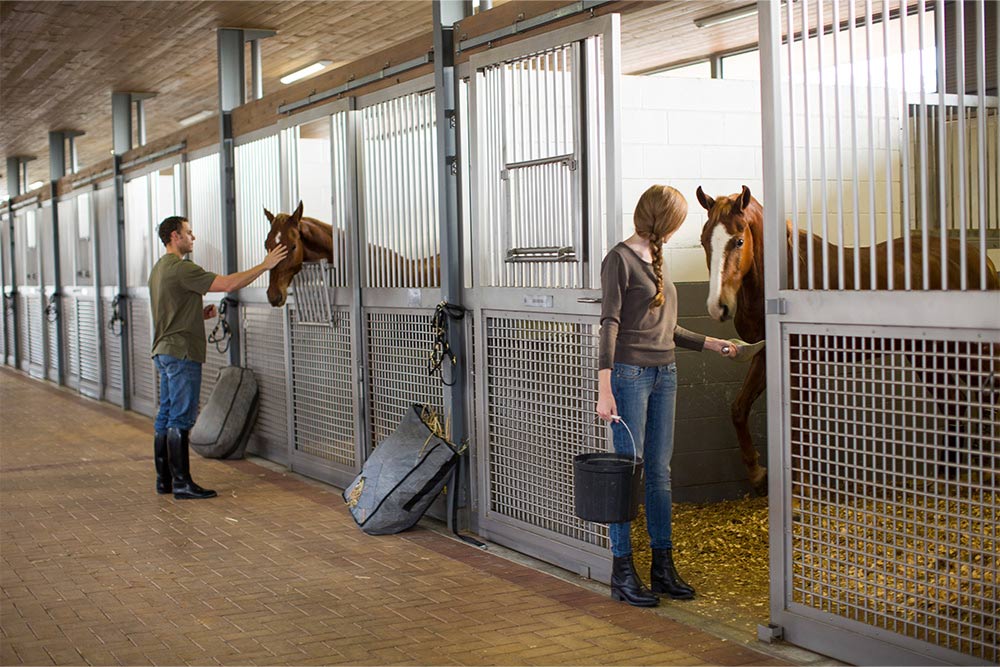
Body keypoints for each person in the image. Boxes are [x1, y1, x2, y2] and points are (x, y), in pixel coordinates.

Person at [596, 185, 739, 607]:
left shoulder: (658, 260)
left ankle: (662, 567)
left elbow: (665, 329)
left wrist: (710, 343)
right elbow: (609, 325)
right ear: (664, 220)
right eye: (678, 221)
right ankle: (622, 571)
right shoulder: (619, 260)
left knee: (660, 472)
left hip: (666, 373)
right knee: (628, 473)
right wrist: (605, 389)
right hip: (629, 375)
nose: (680, 229)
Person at [149, 216, 287, 499]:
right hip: (182, 352)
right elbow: (227, 284)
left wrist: (197, 314)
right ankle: (182, 484)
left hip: (163, 350)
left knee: (165, 416)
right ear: (175, 237)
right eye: (189, 232)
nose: (193, 237)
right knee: (181, 417)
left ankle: (165, 480)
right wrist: (265, 265)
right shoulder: (181, 268)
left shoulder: (158, 269)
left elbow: (168, 310)